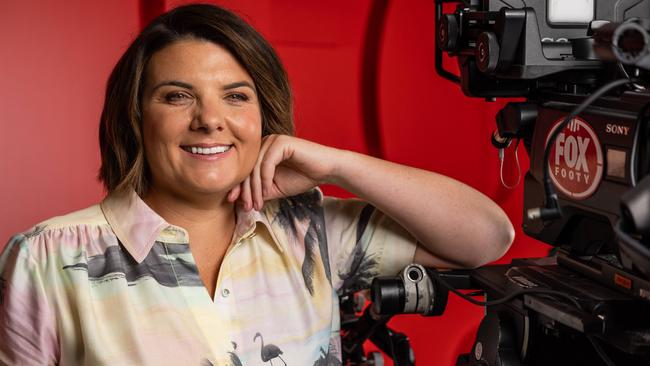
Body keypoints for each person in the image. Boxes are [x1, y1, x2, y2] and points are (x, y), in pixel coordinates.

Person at [0, 4, 514, 365]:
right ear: (135, 119)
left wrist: (338, 166)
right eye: (177, 96)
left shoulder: (308, 231)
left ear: (263, 117)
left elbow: (486, 238)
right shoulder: (45, 259)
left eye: (236, 96)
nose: (210, 120)